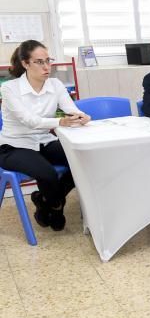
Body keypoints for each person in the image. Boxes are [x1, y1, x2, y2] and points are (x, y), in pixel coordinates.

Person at [0, 40, 91, 231]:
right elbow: (29, 120)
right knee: (47, 173)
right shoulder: (9, 88)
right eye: (39, 62)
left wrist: (81, 116)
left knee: (84, 161)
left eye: (48, 61)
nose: (46, 67)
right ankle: (57, 206)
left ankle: (45, 201)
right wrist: (60, 121)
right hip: (14, 145)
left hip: (44, 140)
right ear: (25, 63)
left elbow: (70, 109)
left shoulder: (55, 84)